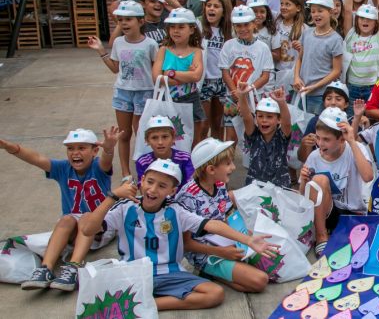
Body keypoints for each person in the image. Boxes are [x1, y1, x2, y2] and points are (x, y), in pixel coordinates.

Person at [79, 159, 279, 311]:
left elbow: (212, 225)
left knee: (215, 294)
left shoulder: (176, 210)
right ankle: (141, 301)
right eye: (150, 182)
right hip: (133, 272)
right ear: (141, 181)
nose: (153, 189)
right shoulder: (125, 207)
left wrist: (248, 240)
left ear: (172, 190)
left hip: (170, 273)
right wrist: (112, 196)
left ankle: (145, 304)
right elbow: (88, 229)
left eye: (162, 186)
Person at [1, 128, 120, 292]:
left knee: (87, 216)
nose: (75, 152)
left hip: (100, 226)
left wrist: (109, 149)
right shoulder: (63, 168)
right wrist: (10, 147)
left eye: (81, 148)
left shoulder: (98, 167)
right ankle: (45, 269)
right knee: (66, 219)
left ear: (94, 151)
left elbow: (106, 161)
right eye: (70, 148)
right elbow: (36, 158)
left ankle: (73, 267)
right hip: (75, 228)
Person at [174, 138, 269, 292]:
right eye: (228, 163)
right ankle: (208, 271)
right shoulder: (188, 197)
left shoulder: (219, 183)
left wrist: (244, 233)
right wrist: (221, 252)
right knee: (260, 280)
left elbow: (223, 217)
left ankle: (221, 274)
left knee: (269, 263)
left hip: (223, 242)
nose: (233, 167)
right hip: (205, 254)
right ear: (211, 170)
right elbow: (186, 244)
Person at [88, 1, 159, 180]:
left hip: (145, 92)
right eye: (120, 20)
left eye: (129, 19)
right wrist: (101, 50)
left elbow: (156, 70)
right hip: (123, 93)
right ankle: (126, 172)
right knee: (124, 134)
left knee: (143, 134)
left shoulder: (151, 44)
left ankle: (146, 170)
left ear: (140, 21)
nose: (124, 23)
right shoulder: (119, 43)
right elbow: (115, 68)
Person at [300, 107, 375, 254]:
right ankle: (321, 236)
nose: (320, 143)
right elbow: (303, 196)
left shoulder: (356, 148)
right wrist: (303, 181)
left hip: (353, 213)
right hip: (327, 214)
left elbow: (368, 177)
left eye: (326, 139)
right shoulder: (314, 156)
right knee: (319, 180)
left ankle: (333, 232)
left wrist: (352, 141)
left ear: (341, 139)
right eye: (318, 138)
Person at [219, 6, 273, 146]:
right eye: (238, 25)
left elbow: (265, 76)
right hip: (232, 97)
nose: (242, 29)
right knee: (230, 137)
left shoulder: (263, 48)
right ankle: (228, 159)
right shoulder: (228, 46)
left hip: (254, 97)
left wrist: (248, 90)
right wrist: (236, 93)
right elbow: (225, 73)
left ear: (254, 23)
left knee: (253, 134)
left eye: (246, 24)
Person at [151, 8, 206, 127]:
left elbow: (196, 76)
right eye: (172, 27)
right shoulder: (163, 50)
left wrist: (171, 73)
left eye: (181, 27)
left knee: (194, 132)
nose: (176, 31)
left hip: (190, 98)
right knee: (168, 131)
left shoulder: (196, 51)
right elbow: (156, 78)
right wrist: (186, 77)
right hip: (166, 98)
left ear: (191, 30)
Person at [342, 0, 379, 108]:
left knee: (372, 117)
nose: (365, 21)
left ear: (375, 22)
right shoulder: (351, 35)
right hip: (352, 87)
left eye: (369, 19)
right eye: (362, 18)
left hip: (372, 87)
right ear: (357, 20)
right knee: (352, 118)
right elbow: (347, 11)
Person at [236, 86, 292, 187]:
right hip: (254, 185)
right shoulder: (253, 135)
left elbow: (287, 123)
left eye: (269, 117)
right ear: (256, 118)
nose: (264, 120)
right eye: (260, 116)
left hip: (279, 186)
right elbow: (247, 118)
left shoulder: (282, 136)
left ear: (279, 119)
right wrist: (242, 95)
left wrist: (281, 102)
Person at [197, 0, 233, 141]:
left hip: (222, 81)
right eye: (209, 5)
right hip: (204, 80)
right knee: (203, 125)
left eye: (216, 6)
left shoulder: (229, 31)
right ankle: (201, 152)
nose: (211, 9)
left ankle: (217, 153)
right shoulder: (198, 27)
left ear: (223, 12)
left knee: (218, 124)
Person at [135, 116, 195, 189]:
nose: (160, 142)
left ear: (173, 138)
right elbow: (143, 187)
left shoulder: (185, 158)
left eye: (165, 137)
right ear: (147, 141)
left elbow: (190, 185)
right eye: (154, 138)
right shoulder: (143, 161)